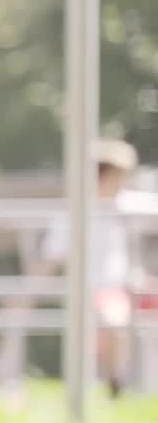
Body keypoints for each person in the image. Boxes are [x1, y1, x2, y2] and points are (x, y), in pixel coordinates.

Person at [40, 138, 143, 398]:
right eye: (117, 178)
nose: (122, 185)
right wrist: (26, 294)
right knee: (99, 332)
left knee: (114, 325)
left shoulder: (123, 206)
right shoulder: (71, 214)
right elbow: (50, 258)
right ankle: (93, 390)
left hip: (112, 289)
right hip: (82, 290)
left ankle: (113, 385)